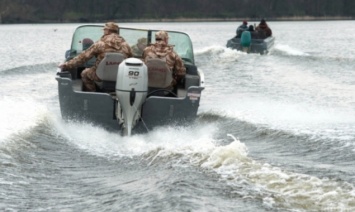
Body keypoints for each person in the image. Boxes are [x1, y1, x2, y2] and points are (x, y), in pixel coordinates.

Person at [59, 22, 133, 92]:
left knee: (85, 73)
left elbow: (83, 57)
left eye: (104, 30)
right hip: (121, 76)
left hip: (100, 75)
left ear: (107, 31)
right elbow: (131, 60)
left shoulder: (100, 44)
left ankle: (93, 94)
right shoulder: (126, 45)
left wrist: (67, 65)